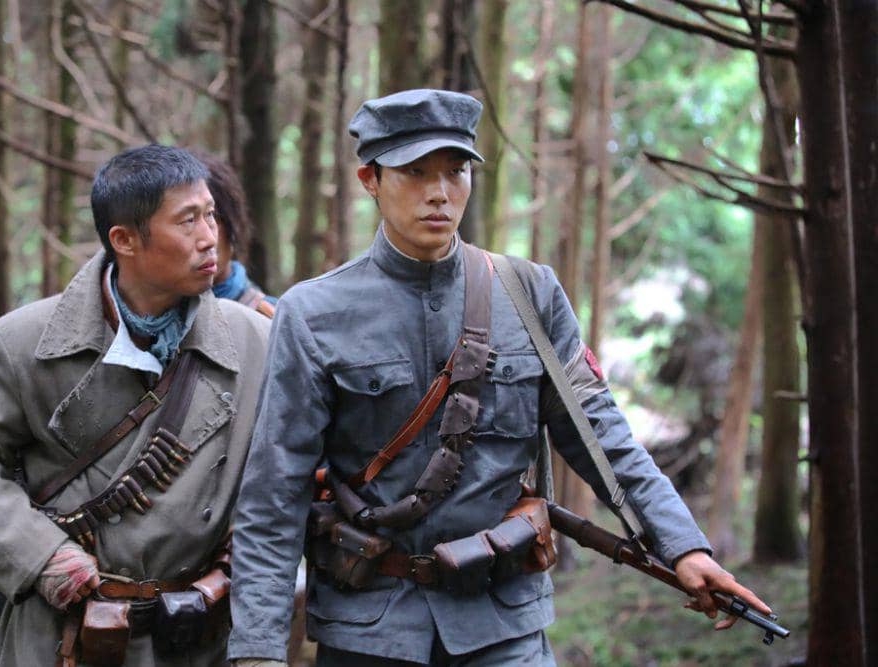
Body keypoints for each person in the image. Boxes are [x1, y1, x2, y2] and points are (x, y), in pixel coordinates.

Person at [227, 90, 771, 667]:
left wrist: (683, 546)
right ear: (370, 179)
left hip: (504, 623)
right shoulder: (314, 313)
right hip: (370, 630)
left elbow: (602, 437)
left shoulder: (530, 295)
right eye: (415, 172)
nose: (440, 193)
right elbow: (275, 492)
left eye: (455, 171)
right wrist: (259, 652)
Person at [0, 145, 271, 666]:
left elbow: (290, 477)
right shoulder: (25, 343)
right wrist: (40, 554)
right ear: (124, 240)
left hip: (198, 637)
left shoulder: (256, 340)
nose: (209, 238)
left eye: (211, 215)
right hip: (65, 637)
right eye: (187, 221)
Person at [191, 151, 277, 318]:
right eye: (187, 221)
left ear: (233, 224)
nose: (205, 239)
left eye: (211, 216)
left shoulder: (270, 317)